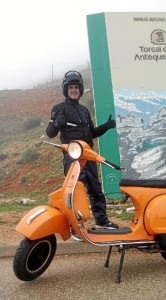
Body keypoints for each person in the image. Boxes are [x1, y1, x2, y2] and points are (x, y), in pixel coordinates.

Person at [46, 70, 118, 230]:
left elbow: (92, 133)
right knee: (75, 190)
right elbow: (50, 133)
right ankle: (75, 225)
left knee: (96, 189)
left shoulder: (84, 110)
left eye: (76, 87)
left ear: (80, 90)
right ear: (66, 89)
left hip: (88, 155)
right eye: (71, 87)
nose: (74, 90)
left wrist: (106, 127)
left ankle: (101, 221)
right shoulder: (59, 108)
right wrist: (57, 123)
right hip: (72, 156)